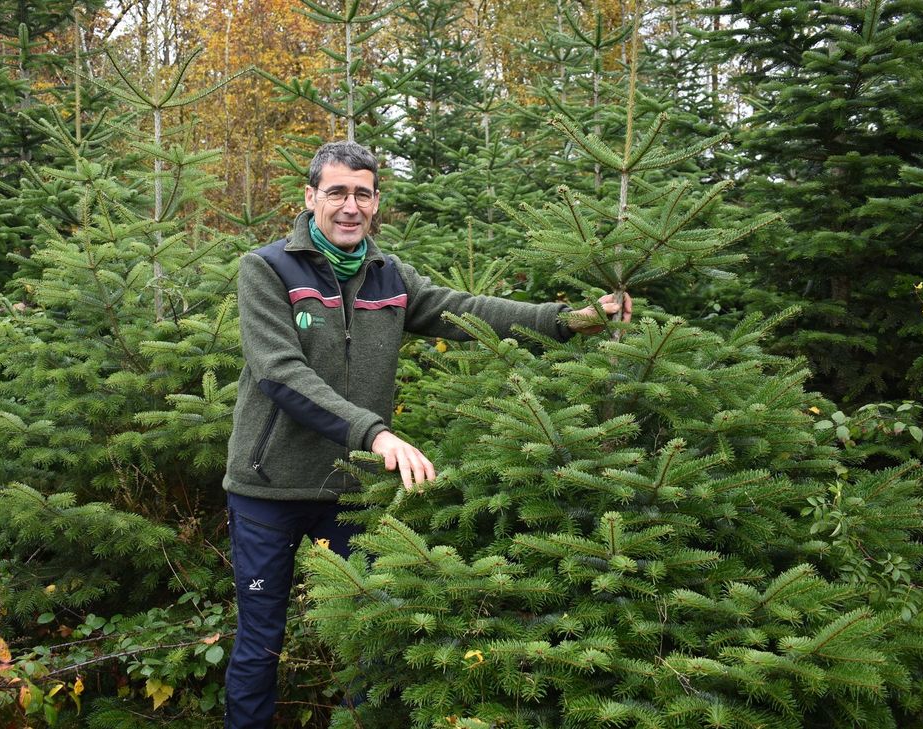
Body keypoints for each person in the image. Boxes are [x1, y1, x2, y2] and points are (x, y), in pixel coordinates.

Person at [222, 141, 631, 728]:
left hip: (352, 492)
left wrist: (568, 319)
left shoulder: (389, 276)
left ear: (376, 202)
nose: (349, 206)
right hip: (268, 489)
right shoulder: (266, 269)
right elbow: (280, 373)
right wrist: (376, 435)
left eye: (362, 194)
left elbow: (467, 310)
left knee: (371, 635)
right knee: (261, 640)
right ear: (310, 197)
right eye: (336, 192)